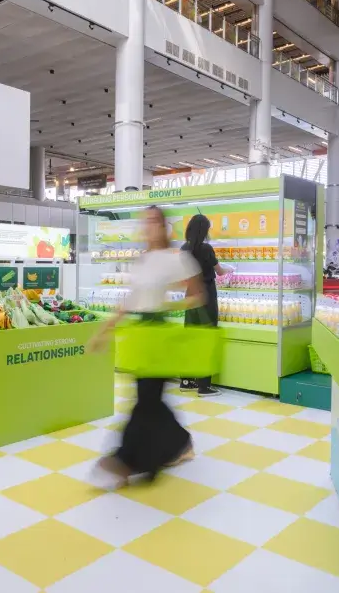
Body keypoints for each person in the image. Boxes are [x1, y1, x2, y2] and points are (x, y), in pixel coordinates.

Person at [88, 206, 205, 484]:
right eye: (145, 221)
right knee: (149, 398)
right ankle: (179, 442)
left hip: (159, 334)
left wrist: (168, 305)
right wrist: (103, 331)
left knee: (146, 400)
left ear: (163, 226)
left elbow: (198, 295)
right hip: (141, 334)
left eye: (153, 220)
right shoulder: (142, 260)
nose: (148, 226)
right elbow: (130, 301)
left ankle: (127, 459)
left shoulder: (175, 258)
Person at [178, 214, 231, 397]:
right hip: (206, 297)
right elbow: (220, 271)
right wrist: (230, 269)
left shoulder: (183, 249)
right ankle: (204, 386)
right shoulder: (206, 249)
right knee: (206, 341)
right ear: (204, 231)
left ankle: (186, 381)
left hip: (190, 297)